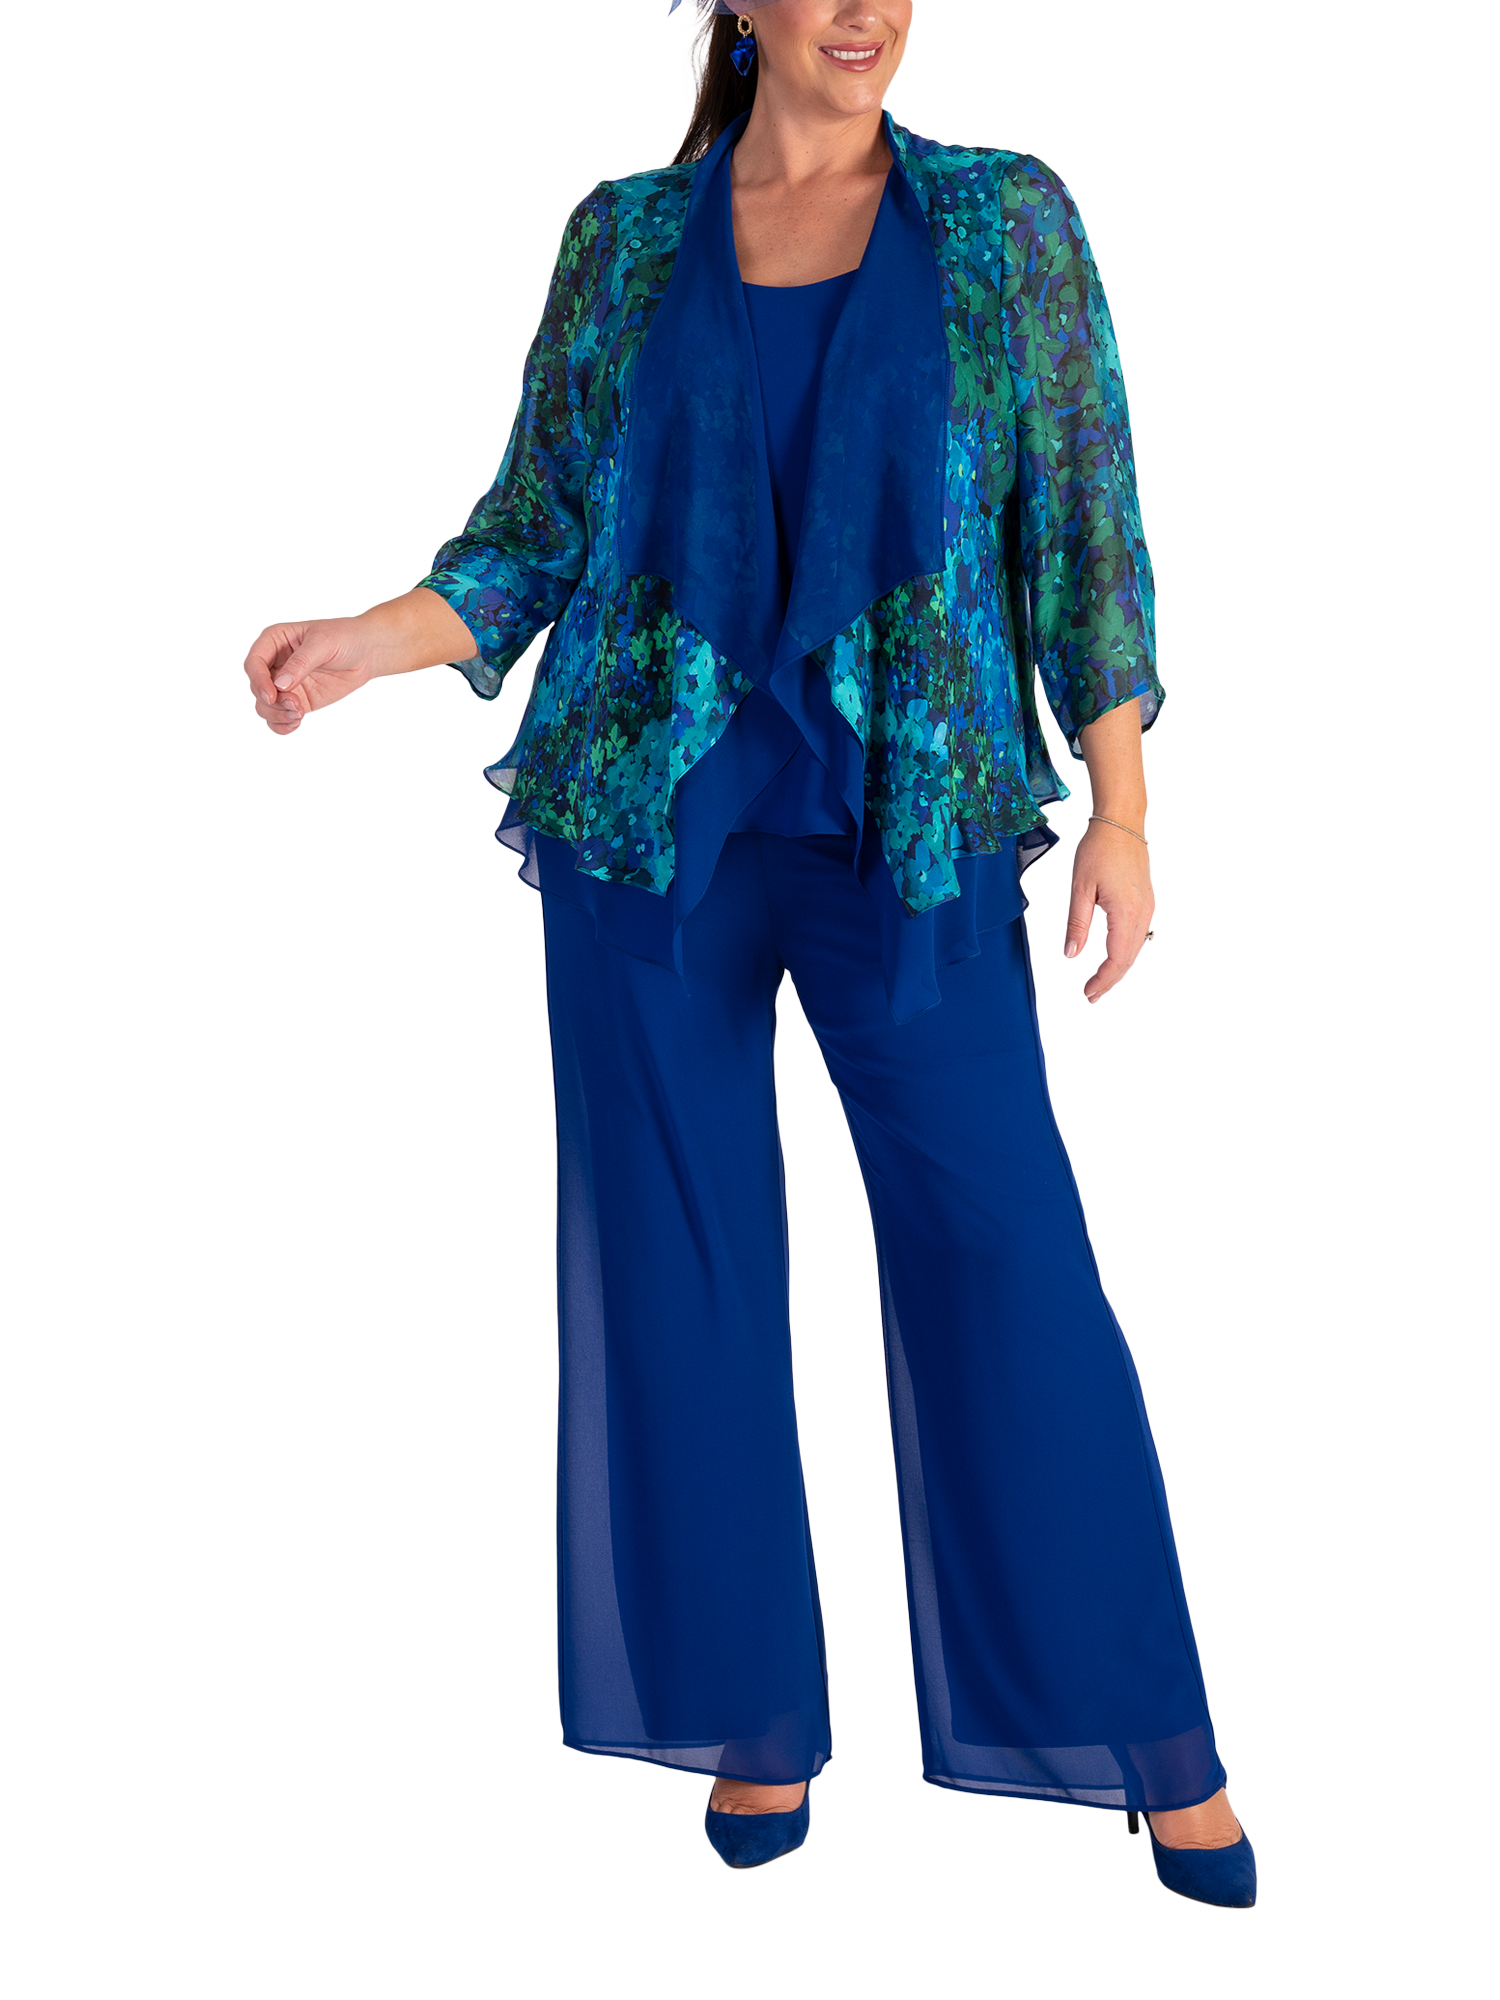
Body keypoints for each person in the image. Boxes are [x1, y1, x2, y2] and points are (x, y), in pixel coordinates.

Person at [243, 0, 1255, 1907]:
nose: (864, 9)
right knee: (676, 1261)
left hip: (911, 822)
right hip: (651, 825)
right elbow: (536, 526)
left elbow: (1085, 527)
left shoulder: (1006, 221)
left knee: (1006, 1256)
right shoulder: (626, 237)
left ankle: (1147, 1733)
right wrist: (372, 641)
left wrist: (1122, 808)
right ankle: (749, 1710)